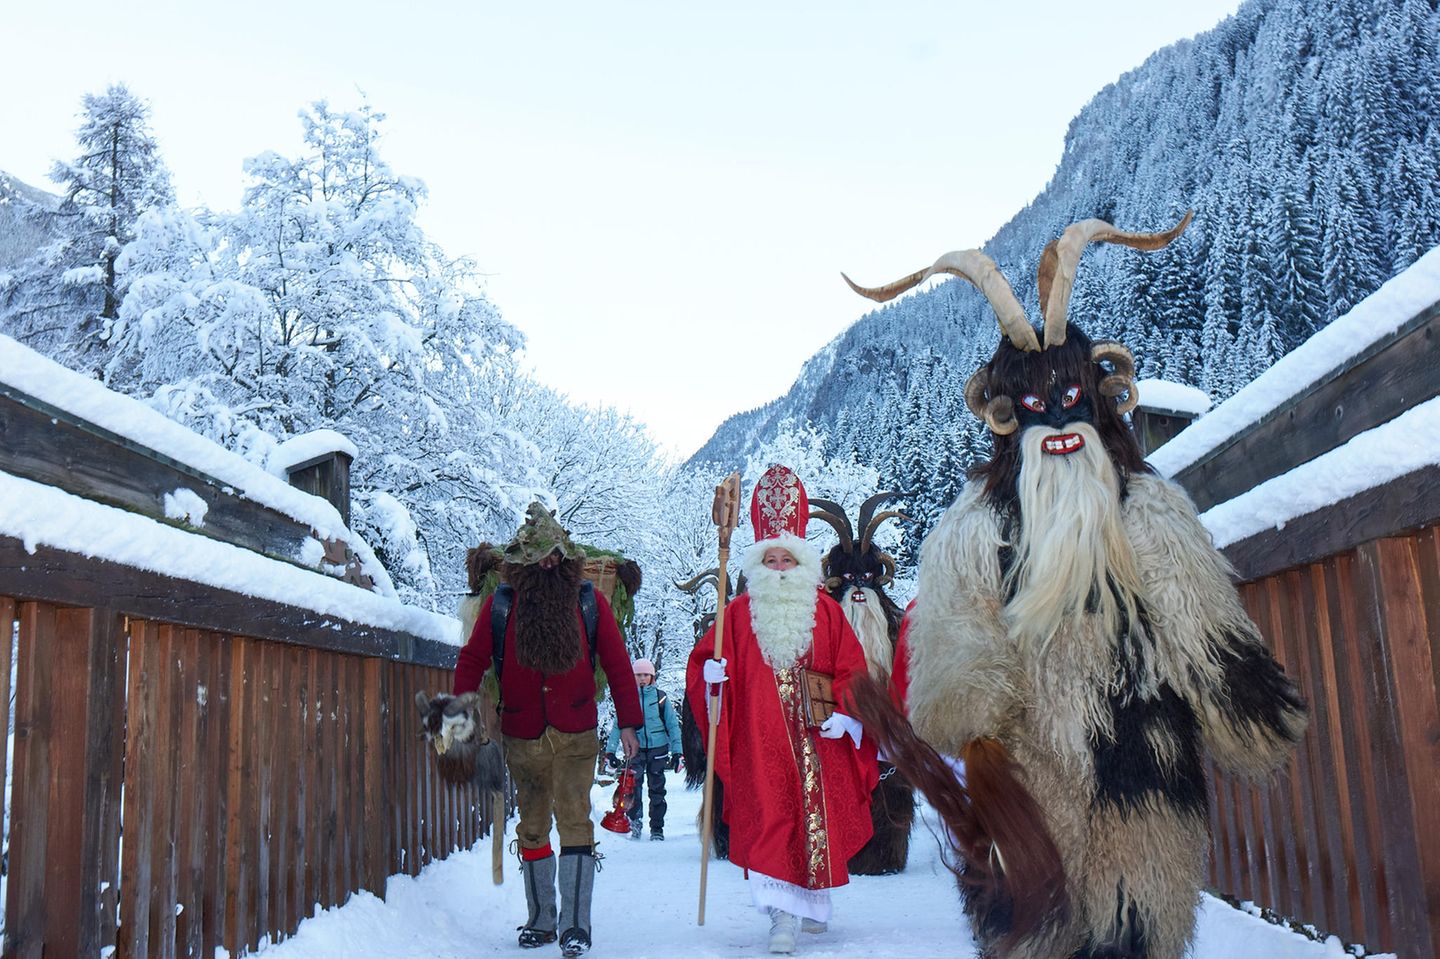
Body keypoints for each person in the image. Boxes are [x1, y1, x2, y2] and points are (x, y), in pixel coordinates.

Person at [843, 214, 1307, 959]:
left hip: (1146, 772)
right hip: (1034, 780)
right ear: (1002, 418)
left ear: (1100, 398)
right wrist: (977, 721)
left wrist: (1242, 701)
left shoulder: (1145, 510)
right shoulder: (974, 530)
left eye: (1071, 405)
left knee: (1134, 931)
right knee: (1037, 935)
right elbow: (959, 642)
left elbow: (1199, 619)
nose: (1057, 427)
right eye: (1033, 410)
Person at [686, 464, 879, 955]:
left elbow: (853, 669)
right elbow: (707, 663)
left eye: (786, 561)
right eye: (769, 561)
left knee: (814, 819)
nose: (777, 569)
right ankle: (781, 917)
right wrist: (711, 678)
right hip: (760, 744)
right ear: (756, 564)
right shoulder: (735, 617)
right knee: (773, 821)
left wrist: (850, 714)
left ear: (801, 563)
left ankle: (812, 904)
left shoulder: (829, 613)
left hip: (819, 742)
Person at [453, 503, 642, 959]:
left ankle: (575, 925)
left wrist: (631, 722)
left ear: (566, 557)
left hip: (577, 732)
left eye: (555, 556)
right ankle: (541, 920)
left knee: (575, 820)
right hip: (522, 733)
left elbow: (617, 664)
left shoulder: (588, 601)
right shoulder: (502, 605)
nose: (548, 564)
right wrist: (463, 709)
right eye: (539, 557)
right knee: (533, 826)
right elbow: (472, 660)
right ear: (521, 563)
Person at [604, 658, 681, 840]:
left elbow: (672, 725)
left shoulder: (660, 698)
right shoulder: (628, 700)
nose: (642, 678)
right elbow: (618, 726)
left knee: (657, 789)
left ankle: (657, 829)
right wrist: (610, 751)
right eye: (638, 675)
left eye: (646, 674)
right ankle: (634, 823)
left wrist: (678, 752)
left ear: (652, 677)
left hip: (658, 749)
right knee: (632, 788)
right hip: (635, 749)